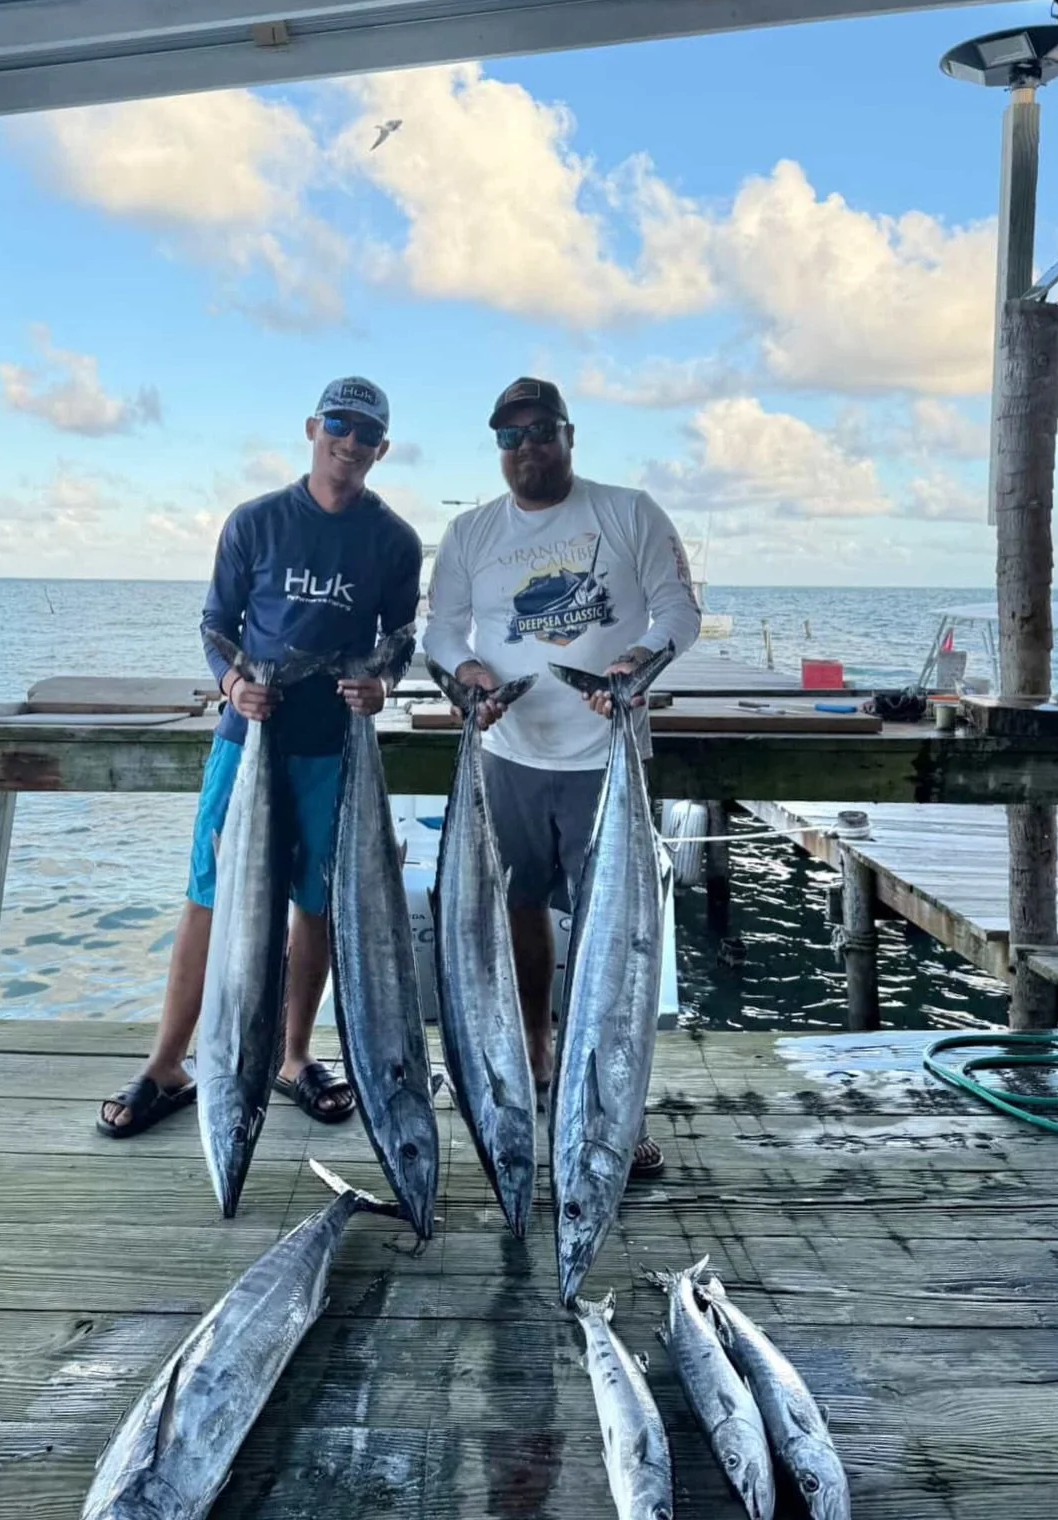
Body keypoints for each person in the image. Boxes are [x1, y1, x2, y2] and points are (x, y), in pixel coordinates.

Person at [99, 376, 421, 1137]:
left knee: (318, 906)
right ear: (312, 426)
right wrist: (234, 682)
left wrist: (381, 683)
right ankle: (167, 1061)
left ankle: (292, 1054)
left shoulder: (395, 540)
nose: (349, 442)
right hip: (249, 744)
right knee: (209, 898)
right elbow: (216, 622)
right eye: (337, 425)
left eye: (366, 433)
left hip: (334, 750)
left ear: (383, 447)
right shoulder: (256, 522)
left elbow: (402, 638)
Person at [422, 376, 701, 1176]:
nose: (526, 448)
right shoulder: (472, 532)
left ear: (570, 435)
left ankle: (616, 1103)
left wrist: (638, 665)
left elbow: (677, 611)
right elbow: (441, 631)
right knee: (516, 909)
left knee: (616, 935)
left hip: (607, 763)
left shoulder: (629, 511)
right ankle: (538, 1054)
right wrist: (470, 670)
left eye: (540, 431)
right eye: (509, 438)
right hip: (509, 754)